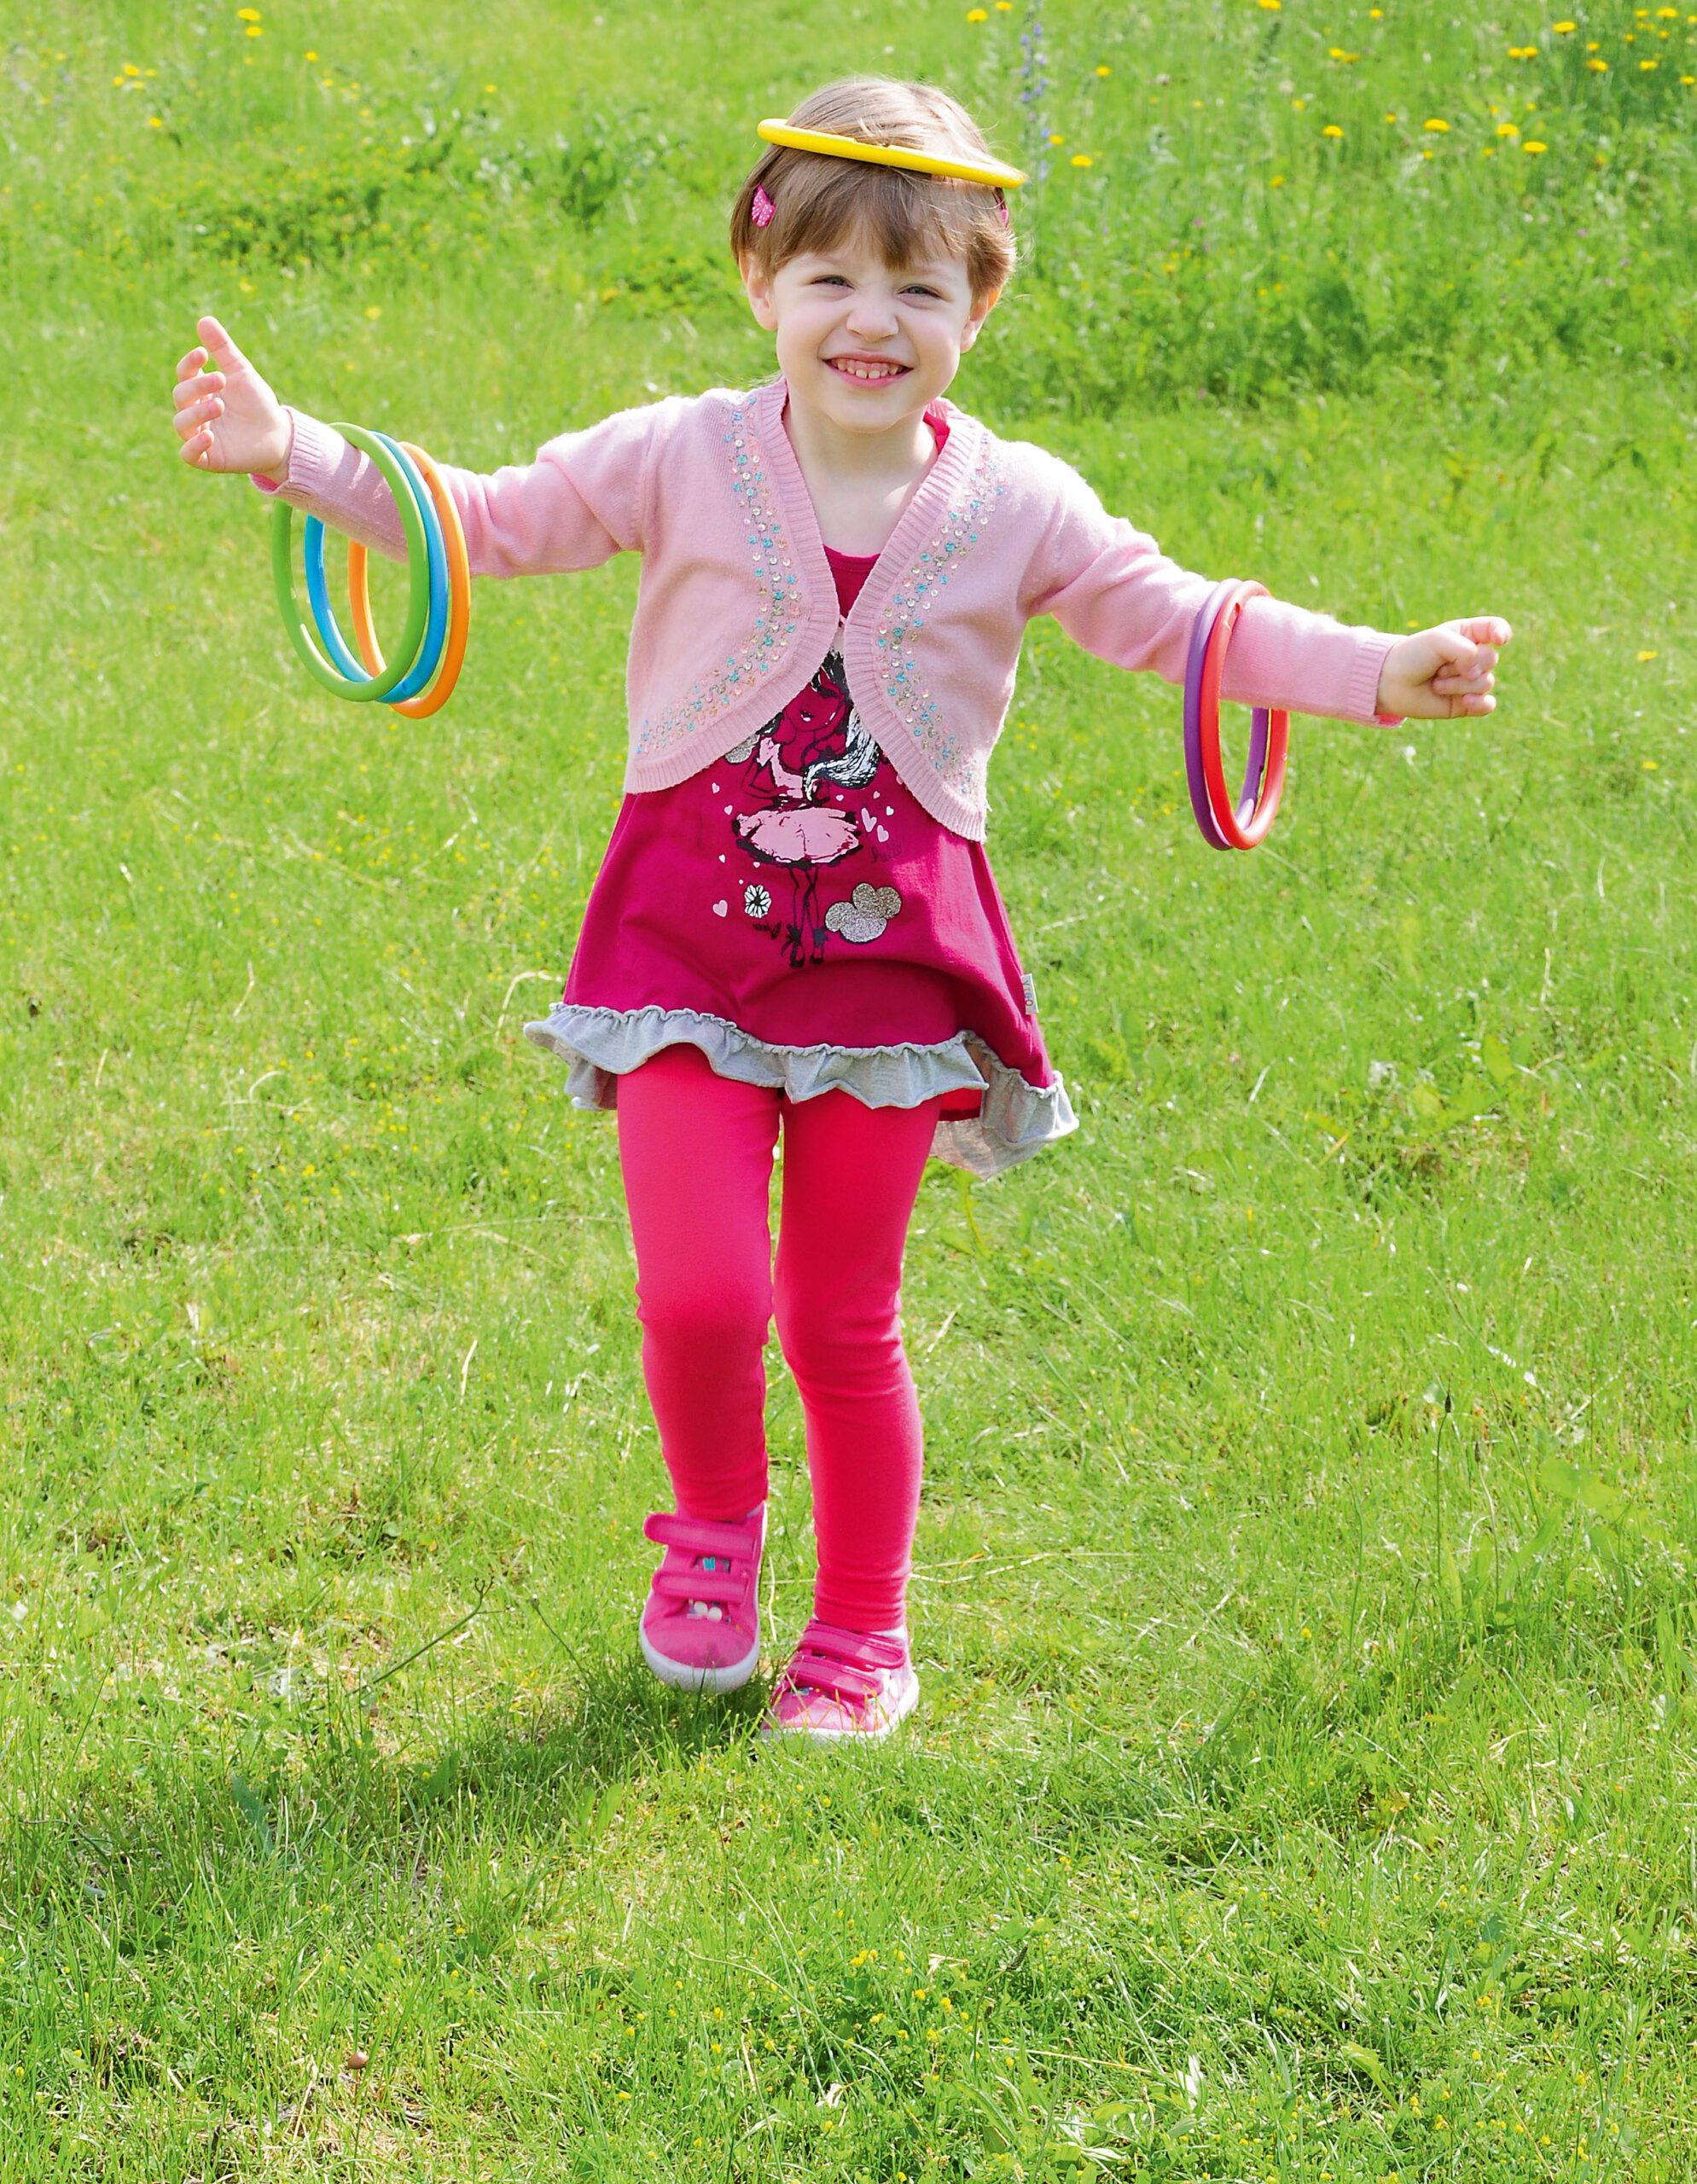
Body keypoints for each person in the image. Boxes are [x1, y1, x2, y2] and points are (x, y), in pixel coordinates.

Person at [169, 76, 1512, 1745]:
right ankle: (712, 1535)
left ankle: (865, 1629)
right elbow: (489, 521)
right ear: (759, 282)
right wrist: (294, 454)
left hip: (889, 971)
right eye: (829, 279)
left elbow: (1177, 621)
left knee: (834, 1316)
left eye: (917, 288)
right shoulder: (680, 455)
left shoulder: (1015, 503)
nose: (870, 321)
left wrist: (1377, 669)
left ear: (977, 309)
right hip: (683, 945)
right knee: (699, 1295)